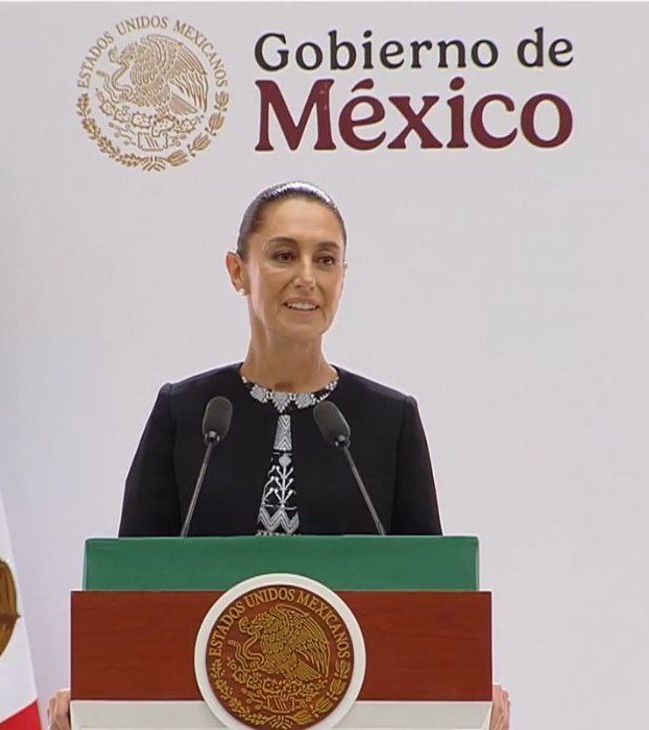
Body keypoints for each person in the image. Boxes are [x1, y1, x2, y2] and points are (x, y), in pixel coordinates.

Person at [48, 181, 510, 729]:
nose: (307, 277)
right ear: (237, 271)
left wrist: (463, 690)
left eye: (326, 260)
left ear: (343, 277)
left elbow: (428, 602)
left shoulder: (389, 420)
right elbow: (132, 594)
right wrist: (100, 691)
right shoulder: (187, 413)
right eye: (284, 255)